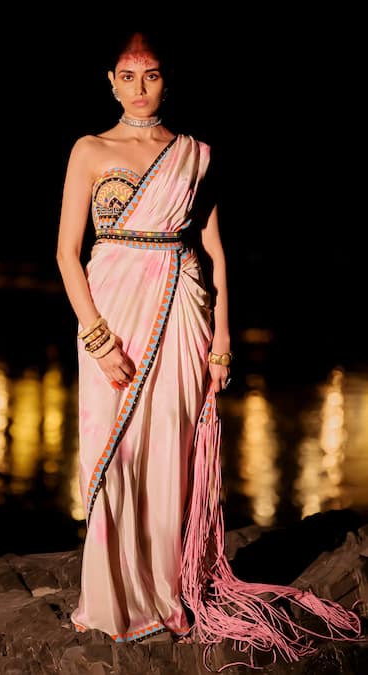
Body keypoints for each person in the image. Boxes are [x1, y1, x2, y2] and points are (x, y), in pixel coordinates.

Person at [56, 28, 361, 670]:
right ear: (110, 82)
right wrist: (97, 337)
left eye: (152, 75)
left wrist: (221, 341)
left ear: (167, 80)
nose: (140, 88)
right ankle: (113, 599)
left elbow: (216, 252)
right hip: (112, 310)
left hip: (182, 307)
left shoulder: (193, 154)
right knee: (115, 450)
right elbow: (65, 254)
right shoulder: (89, 149)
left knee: (171, 448)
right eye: (128, 76)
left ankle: (165, 594)